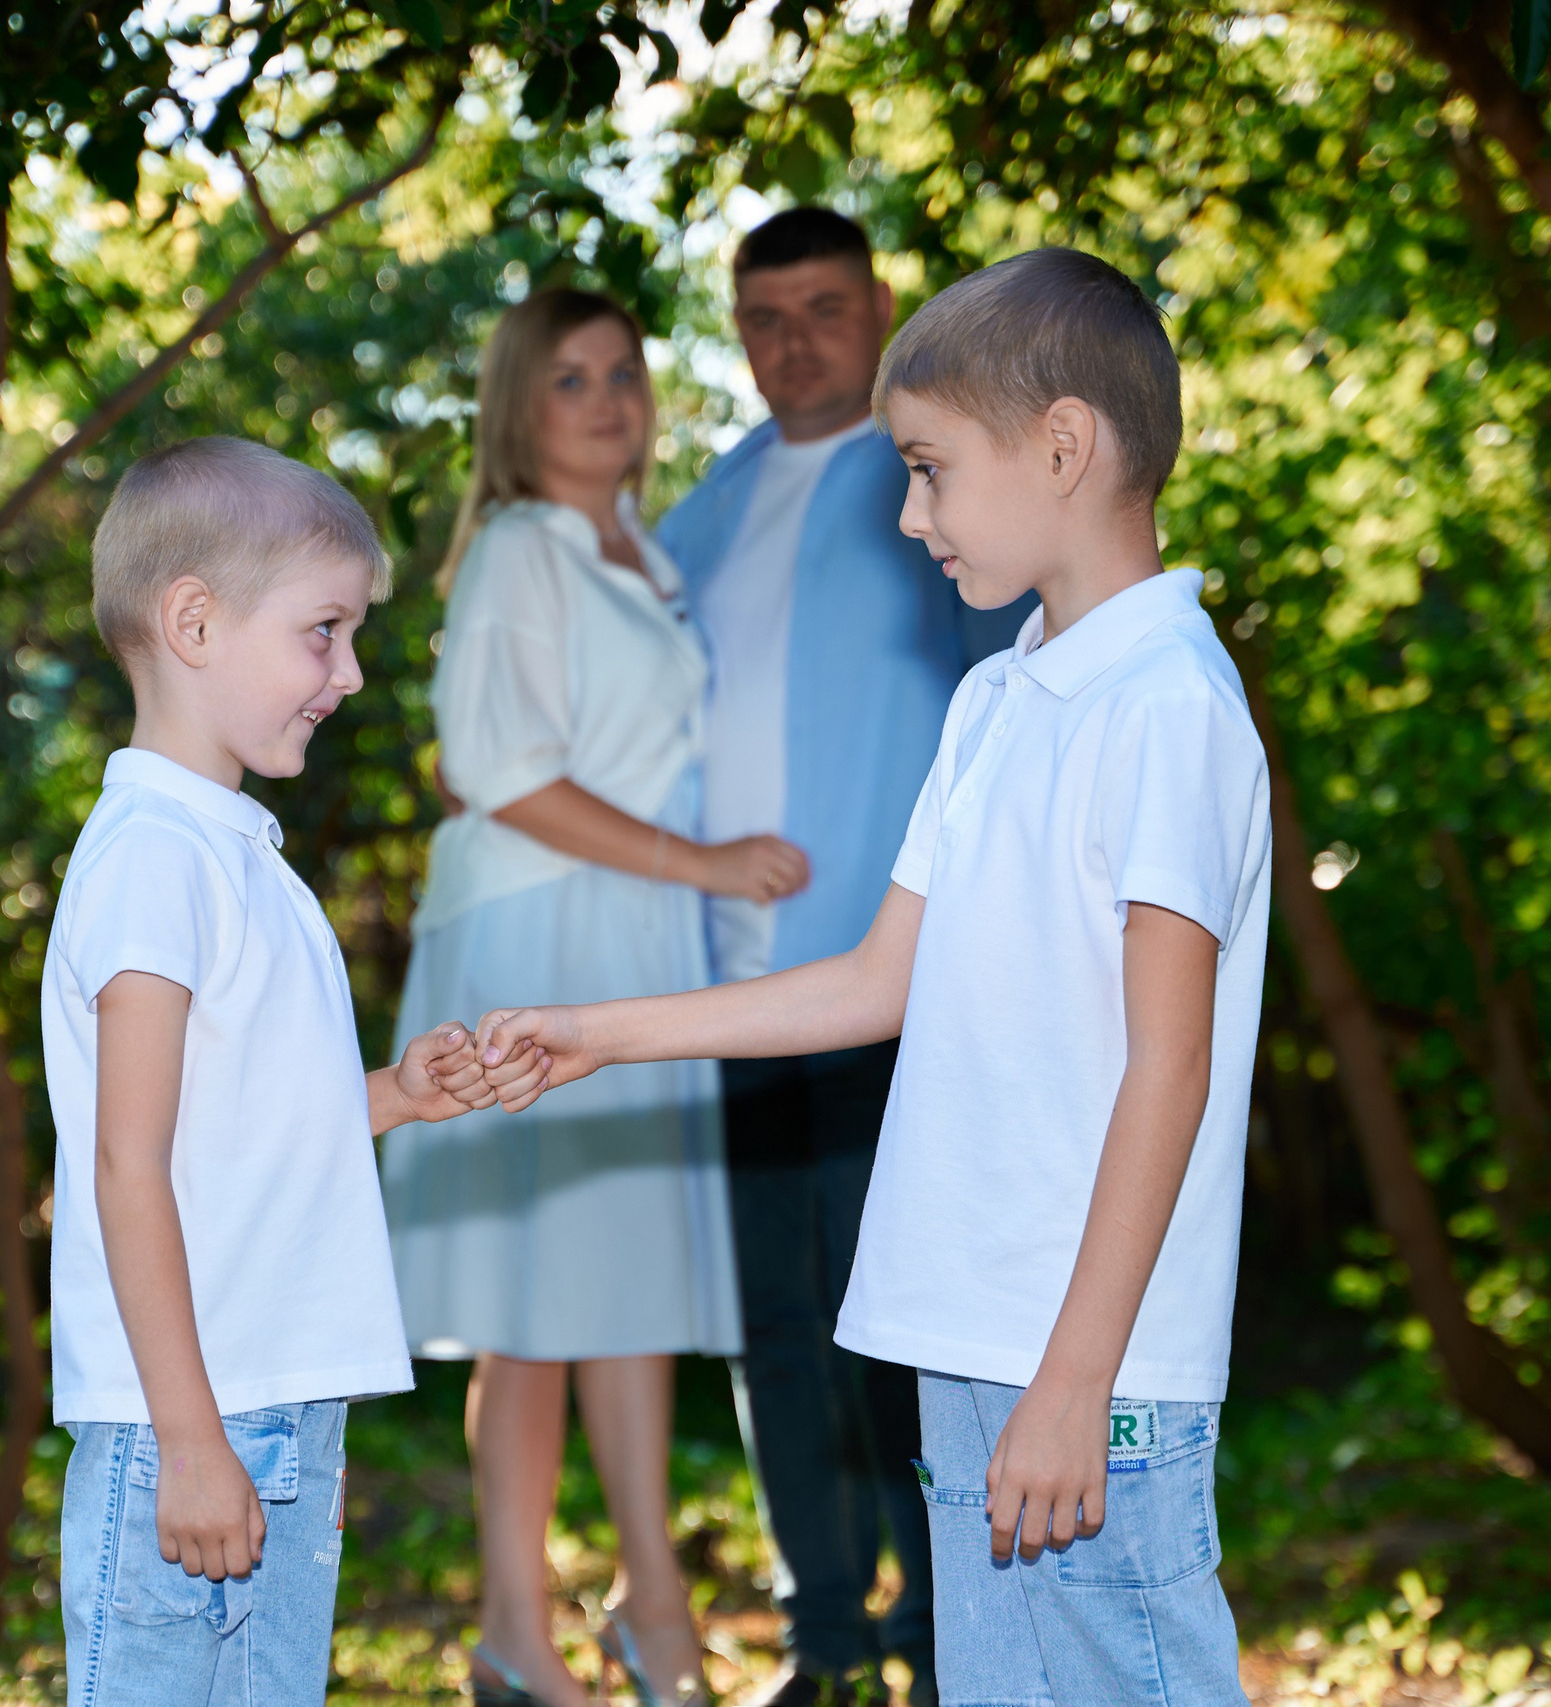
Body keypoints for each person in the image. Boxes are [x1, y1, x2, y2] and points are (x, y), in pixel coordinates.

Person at [474, 248, 1269, 1707]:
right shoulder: (993, 699)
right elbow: (872, 979)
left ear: (1064, 445)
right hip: (963, 1335)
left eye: (928, 470)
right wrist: (600, 1032)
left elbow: (1172, 1063)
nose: (908, 515)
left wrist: (1076, 1378)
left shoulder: (1168, 707)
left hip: (1090, 1367)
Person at [379, 288, 808, 1707]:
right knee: (533, 1293)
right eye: (570, 378)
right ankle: (515, 1626)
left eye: (624, 371)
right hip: (535, 932)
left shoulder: (647, 549)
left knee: (625, 1280)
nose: (608, 398)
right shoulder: (519, 548)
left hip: (637, 934)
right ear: (518, 404)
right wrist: (704, 863)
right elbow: (497, 770)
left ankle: (653, 1609)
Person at [43, 437, 497, 1707]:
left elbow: (236, 1129)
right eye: (323, 633)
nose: (348, 674)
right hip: (189, 1419)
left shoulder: (235, 854)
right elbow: (127, 1166)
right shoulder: (153, 858)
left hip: (279, 1402)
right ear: (194, 623)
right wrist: (189, 1438)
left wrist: (395, 1096)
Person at [654, 207, 1029, 1707]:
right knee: (772, 1330)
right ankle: (823, 1637)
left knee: (902, 1319)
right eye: (762, 315)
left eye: (821, 307)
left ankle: (943, 1642)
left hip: (898, 978)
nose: (790, 340)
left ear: (877, 305)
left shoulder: (933, 480)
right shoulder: (701, 510)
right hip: (731, 986)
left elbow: (1013, 697)